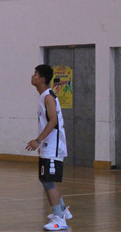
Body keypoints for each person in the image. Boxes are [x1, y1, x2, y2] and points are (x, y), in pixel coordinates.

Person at [26, 64, 72, 231]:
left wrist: (38, 140)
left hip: (53, 146)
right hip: (48, 145)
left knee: (47, 181)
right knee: (45, 179)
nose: (32, 76)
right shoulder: (44, 96)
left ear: (42, 79)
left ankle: (60, 219)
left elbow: (53, 121)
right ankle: (63, 211)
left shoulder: (48, 97)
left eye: (35, 74)